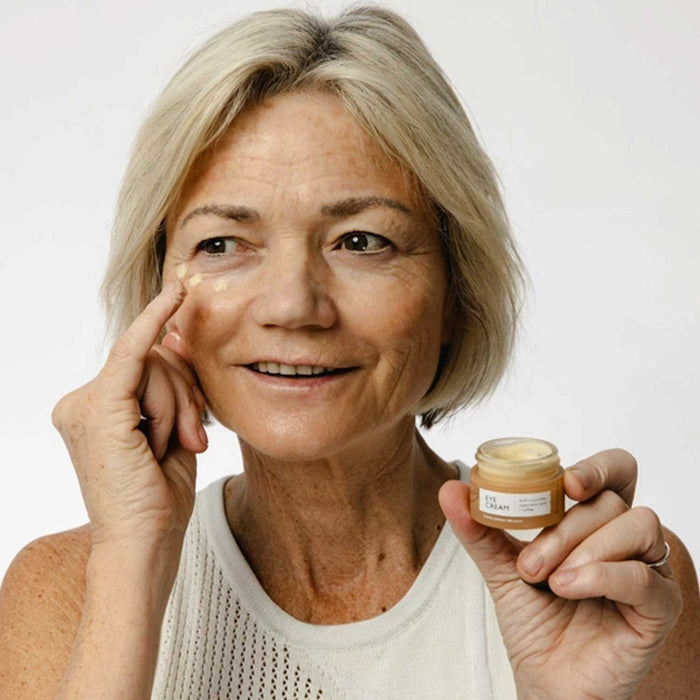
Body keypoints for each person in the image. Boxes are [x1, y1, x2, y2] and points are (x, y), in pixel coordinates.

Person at [1, 5, 698, 699]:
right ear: (162, 300)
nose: (292, 306)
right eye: (222, 243)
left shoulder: (611, 590)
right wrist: (131, 560)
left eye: (361, 242)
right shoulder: (65, 592)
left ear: (456, 289)